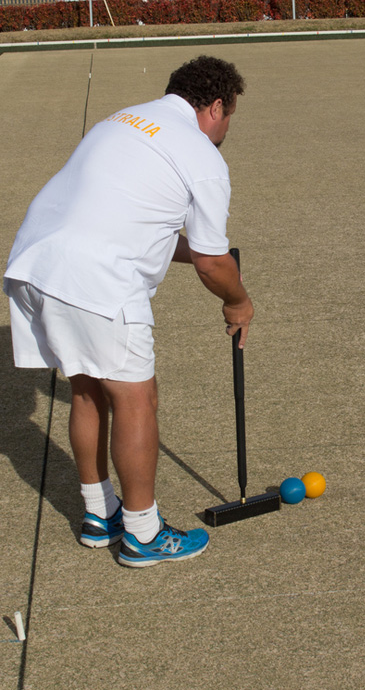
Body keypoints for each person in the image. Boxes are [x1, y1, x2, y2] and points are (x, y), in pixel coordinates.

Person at [3, 55, 253, 568]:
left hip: (36, 263)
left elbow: (137, 221)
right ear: (214, 107)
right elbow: (211, 262)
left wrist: (212, 258)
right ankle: (143, 532)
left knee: (87, 388)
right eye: (230, 116)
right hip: (96, 281)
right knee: (138, 400)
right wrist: (238, 299)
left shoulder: (122, 119)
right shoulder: (203, 157)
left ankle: (101, 516)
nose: (227, 128)